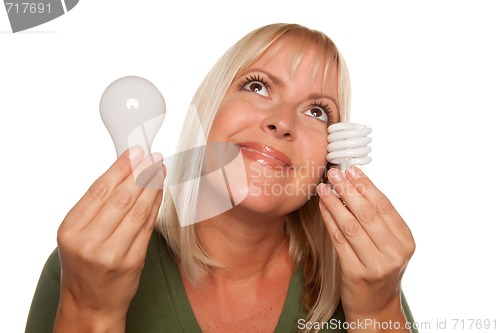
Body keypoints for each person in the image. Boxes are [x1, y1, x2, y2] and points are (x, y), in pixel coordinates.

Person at [25, 23, 417, 333]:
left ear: (331, 158)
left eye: (317, 111)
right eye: (258, 86)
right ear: (209, 111)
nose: (281, 121)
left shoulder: (364, 279)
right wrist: (91, 310)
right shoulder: (85, 266)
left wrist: (379, 312)